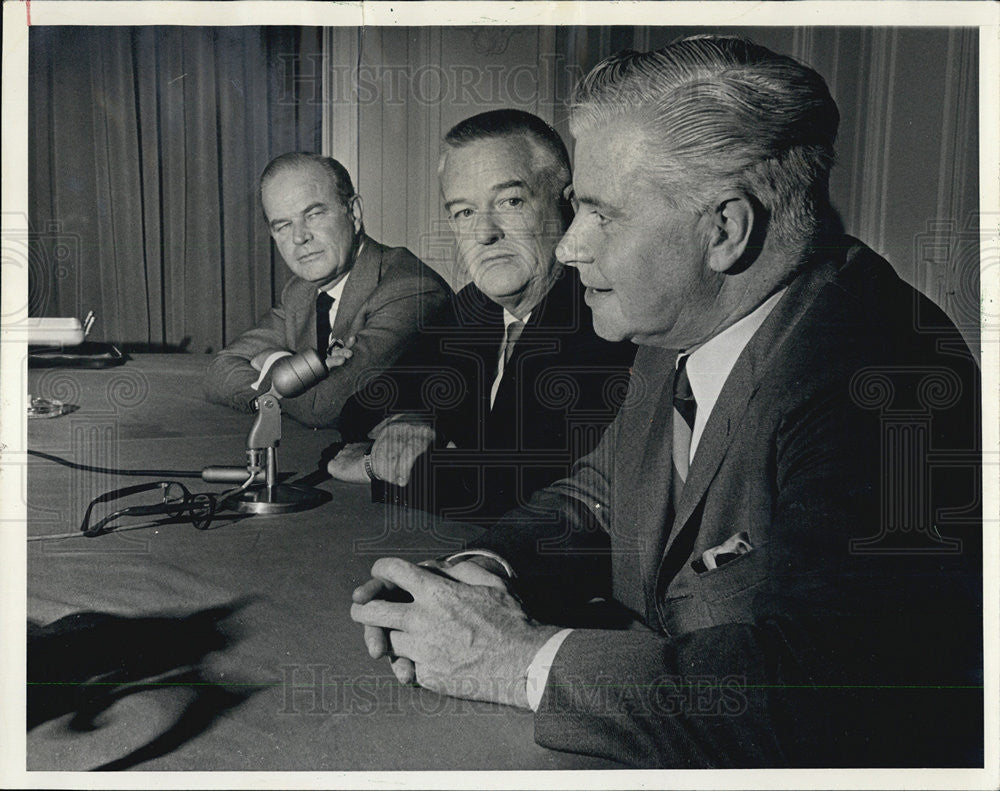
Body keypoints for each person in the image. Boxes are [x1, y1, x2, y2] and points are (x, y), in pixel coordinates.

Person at [349, 38, 983, 767]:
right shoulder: (681, 321)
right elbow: (601, 491)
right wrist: (490, 567)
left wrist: (517, 660)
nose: (568, 248)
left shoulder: (882, 377)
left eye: (601, 215)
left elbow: (832, 695)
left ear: (724, 230)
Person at [328, 110, 634, 523]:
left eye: (510, 202)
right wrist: (418, 418)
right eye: (464, 212)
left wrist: (378, 467)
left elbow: (523, 488)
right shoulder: (477, 306)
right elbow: (362, 408)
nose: (485, 234)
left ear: (570, 205)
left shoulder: (602, 315)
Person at [204, 153, 450, 428]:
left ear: (354, 213)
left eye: (314, 214)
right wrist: (284, 364)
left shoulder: (410, 289)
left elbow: (322, 406)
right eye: (283, 225)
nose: (300, 237)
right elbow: (220, 370)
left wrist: (268, 365)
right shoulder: (300, 291)